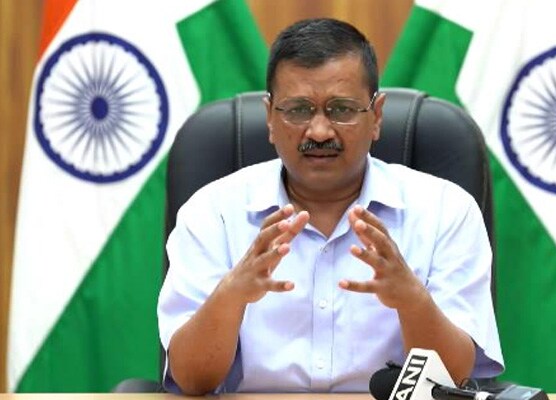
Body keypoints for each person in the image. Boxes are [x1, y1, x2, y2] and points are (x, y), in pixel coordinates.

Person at [157, 18, 504, 395]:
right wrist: (231, 295)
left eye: (341, 109)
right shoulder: (214, 213)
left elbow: (453, 380)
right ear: (270, 117)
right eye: (298, 110)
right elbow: (192, 381)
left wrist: (412, 300)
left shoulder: (445, 211)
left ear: (377, 116)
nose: (319, 132)